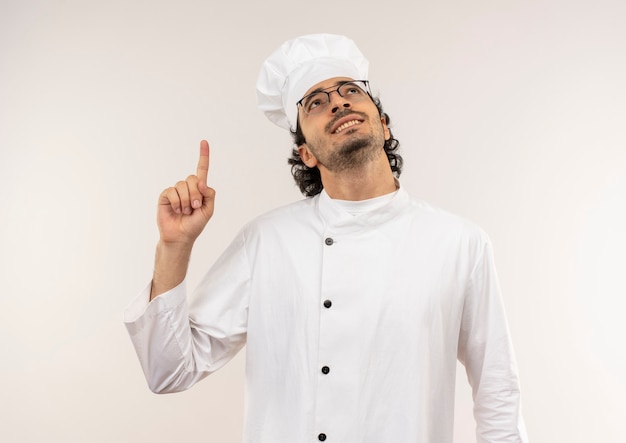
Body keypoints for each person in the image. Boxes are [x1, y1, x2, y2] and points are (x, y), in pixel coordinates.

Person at [124, 33, 529, 443]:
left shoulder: (460, 243)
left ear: (383, 123)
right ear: (307, 154)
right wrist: (174, 248)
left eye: (350, 90)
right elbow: (167, 372)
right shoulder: (266, 242)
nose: (338, 102)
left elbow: (497, 391)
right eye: (315, 102)